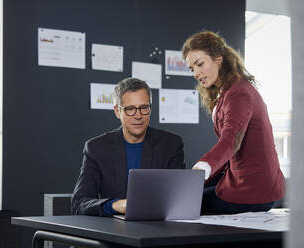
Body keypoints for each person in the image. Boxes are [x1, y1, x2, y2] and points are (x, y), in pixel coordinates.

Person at [182, 31, 285, 214]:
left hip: (254, 188)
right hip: (241, 178)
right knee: (187, 194)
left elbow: (231, 139)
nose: (196, 73)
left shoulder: (239, 93)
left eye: (200, 64)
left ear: (218, 59)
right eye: (192, 69)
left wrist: (202, 167)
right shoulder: (227, 91)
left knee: (186, 203)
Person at [71, 77, 185, 216]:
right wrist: (116, 205)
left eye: (144, 108)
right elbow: (79, 203)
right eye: (130, 109)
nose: (138, 116)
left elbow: (180, 199)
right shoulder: (97, 148)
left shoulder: (171, 144)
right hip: (114, 231)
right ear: (117, 111)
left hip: (159, 227)